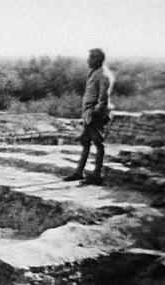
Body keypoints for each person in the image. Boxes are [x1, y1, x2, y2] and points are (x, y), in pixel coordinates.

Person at [63, 48, 114, 185]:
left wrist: (93, 115)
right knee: (85, 141)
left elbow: (103, 99)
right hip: (89, 113)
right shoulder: (94, 72)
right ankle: (79, 172)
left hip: (95, 114)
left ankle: (97, 173)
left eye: (90, 58)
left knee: (98, 142)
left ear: (97, 60)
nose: (88, 60)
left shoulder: (103, 75)